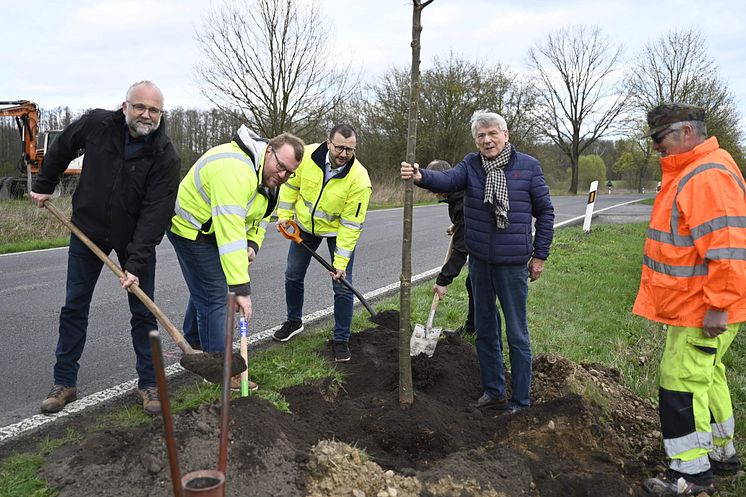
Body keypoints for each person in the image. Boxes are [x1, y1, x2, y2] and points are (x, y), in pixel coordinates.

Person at [30, 81, 181, 415]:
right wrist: (44, 183)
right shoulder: (97, 124)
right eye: (140, 107)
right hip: (88, 230)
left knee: (144, 313)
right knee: (74, 306)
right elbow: (63, 147)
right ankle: (64, 381)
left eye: (153, 110)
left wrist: (137, 263)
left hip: (134, 239)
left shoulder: (165, 154)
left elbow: (157, 212)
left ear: (161, 114)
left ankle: (149, 384)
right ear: (124, 106)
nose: (146, 114)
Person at [400, 110, 554, 413]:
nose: (487, 140)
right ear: (476, 140)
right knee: (485, 330)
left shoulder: (528, 167)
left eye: (493, 133)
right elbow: (447, 179)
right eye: (481, 135)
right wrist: (420, 176)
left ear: (505, 135)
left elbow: (546, 212)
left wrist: (540, 255)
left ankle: (521, 401)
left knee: (517, 333)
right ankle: (494, 391)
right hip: (481, 263)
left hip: (513, 265)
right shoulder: (471, 166)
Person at [633, 103, 746, 496]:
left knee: (680, 381)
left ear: (686, 133)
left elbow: (729, 246)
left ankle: (691, 476)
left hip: (705, 307)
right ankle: (722, 455)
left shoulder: (705, 175)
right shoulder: (700, 168)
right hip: (701, 302)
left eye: (660, 140)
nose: (656, 148)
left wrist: (720, 304)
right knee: (707, 374)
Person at [168, 127, 305, 390]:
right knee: (217, 295)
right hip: (190, 229)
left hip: (214, 230)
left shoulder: (270, 179)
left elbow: (262, 217)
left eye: (290, 172)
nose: (283, 175)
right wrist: (240, 288)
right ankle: (219, 371)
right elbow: (230, 231)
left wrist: (253, 243)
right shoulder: (235, 168)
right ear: (268, 151)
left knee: (207, 287)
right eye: (280, 166)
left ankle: (195, 342)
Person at [273, 124, 372, 362]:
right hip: (305, 228)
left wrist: (340, 264)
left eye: (349, 149)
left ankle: (341, 339)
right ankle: (294, 321)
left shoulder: (359, 179)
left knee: (342, 284)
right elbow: (290, 186)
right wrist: (285, 216)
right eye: (339, 147)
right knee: (293, 274)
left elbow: (350, 226)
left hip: (337, 233)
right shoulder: (305, 156)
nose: (343, 154)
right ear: (328, 142)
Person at [427, 160, 474, 335]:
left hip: (495, 249)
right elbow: (464, 220)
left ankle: (487, 340)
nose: (432, 191)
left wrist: (442, 281)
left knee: (479, 287)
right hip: (479, 241)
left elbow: (461, 250)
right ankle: (473, 329)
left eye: (434, 185)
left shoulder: (462, 198)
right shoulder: (455, 193)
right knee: (473, 284)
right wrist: (457, 226)